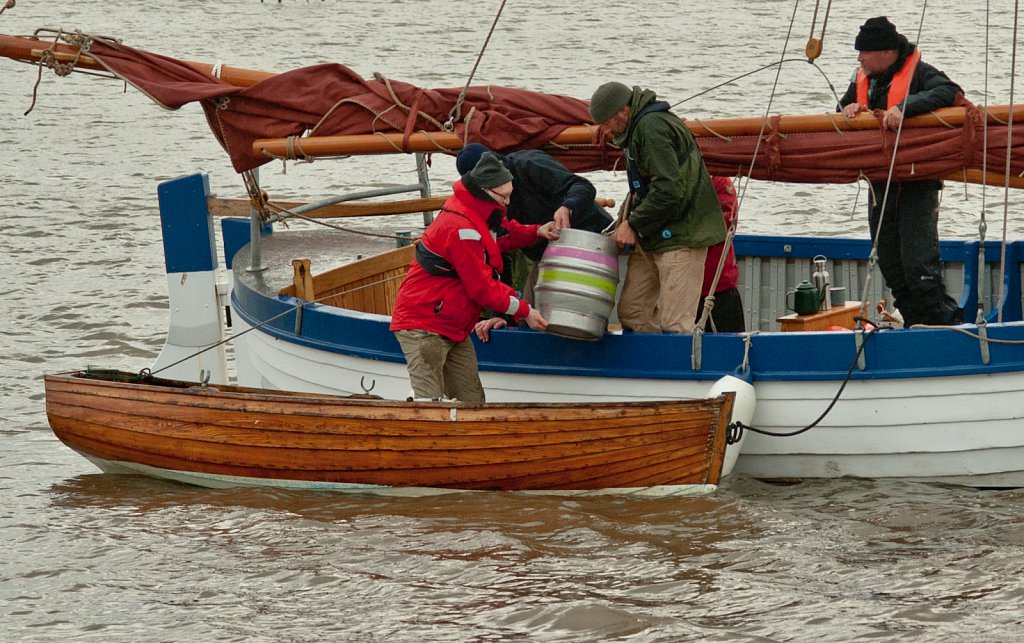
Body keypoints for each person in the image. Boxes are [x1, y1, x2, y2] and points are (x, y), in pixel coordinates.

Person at [390, 152, 558, 402]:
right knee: (429, 403)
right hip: (423, 323)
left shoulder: (478, 211)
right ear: (485, 191)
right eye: (504, 197)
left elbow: (500, 234)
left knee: (472, 402)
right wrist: (525, 311)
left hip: (453, 324)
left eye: (510, 195)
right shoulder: (461, 229)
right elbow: (482, 289)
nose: (508, 202)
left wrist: (536, 231)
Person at [837, 16, 964, 327]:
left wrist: (905, 106)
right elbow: (841, 106)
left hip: (916, 181)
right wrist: (848, 109)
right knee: (891, 265)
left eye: (864, 52)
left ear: (886, 52)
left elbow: (949, 91)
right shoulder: (864, 77)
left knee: (919, 265)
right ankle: (913, 323)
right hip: (880, 183)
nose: (859, 58)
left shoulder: (920, 72)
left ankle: (945, 325)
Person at [588, 81, 726, 333]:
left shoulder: (651, 127)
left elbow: (669, 188)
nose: (605, 130)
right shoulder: (637, 128)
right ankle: (650, 358)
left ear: (623, 111)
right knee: (633, 312)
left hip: (683, 235)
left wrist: (633, 223)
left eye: (606, 122)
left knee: (675, 324)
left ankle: (681, 357)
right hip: (654, 233)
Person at [454, 143, 614, 299]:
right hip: (546, 253)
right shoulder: (484, 198)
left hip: (590, 237)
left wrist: (567, 207)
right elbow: (500, 240)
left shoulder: (531, 164)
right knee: (529, 309)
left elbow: (583, 186)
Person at [696, 176, 745, 333]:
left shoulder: (721, 183)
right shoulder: (678, 180)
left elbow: (722, 227)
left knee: (729, 345)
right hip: (686, 288)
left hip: (719, 288)